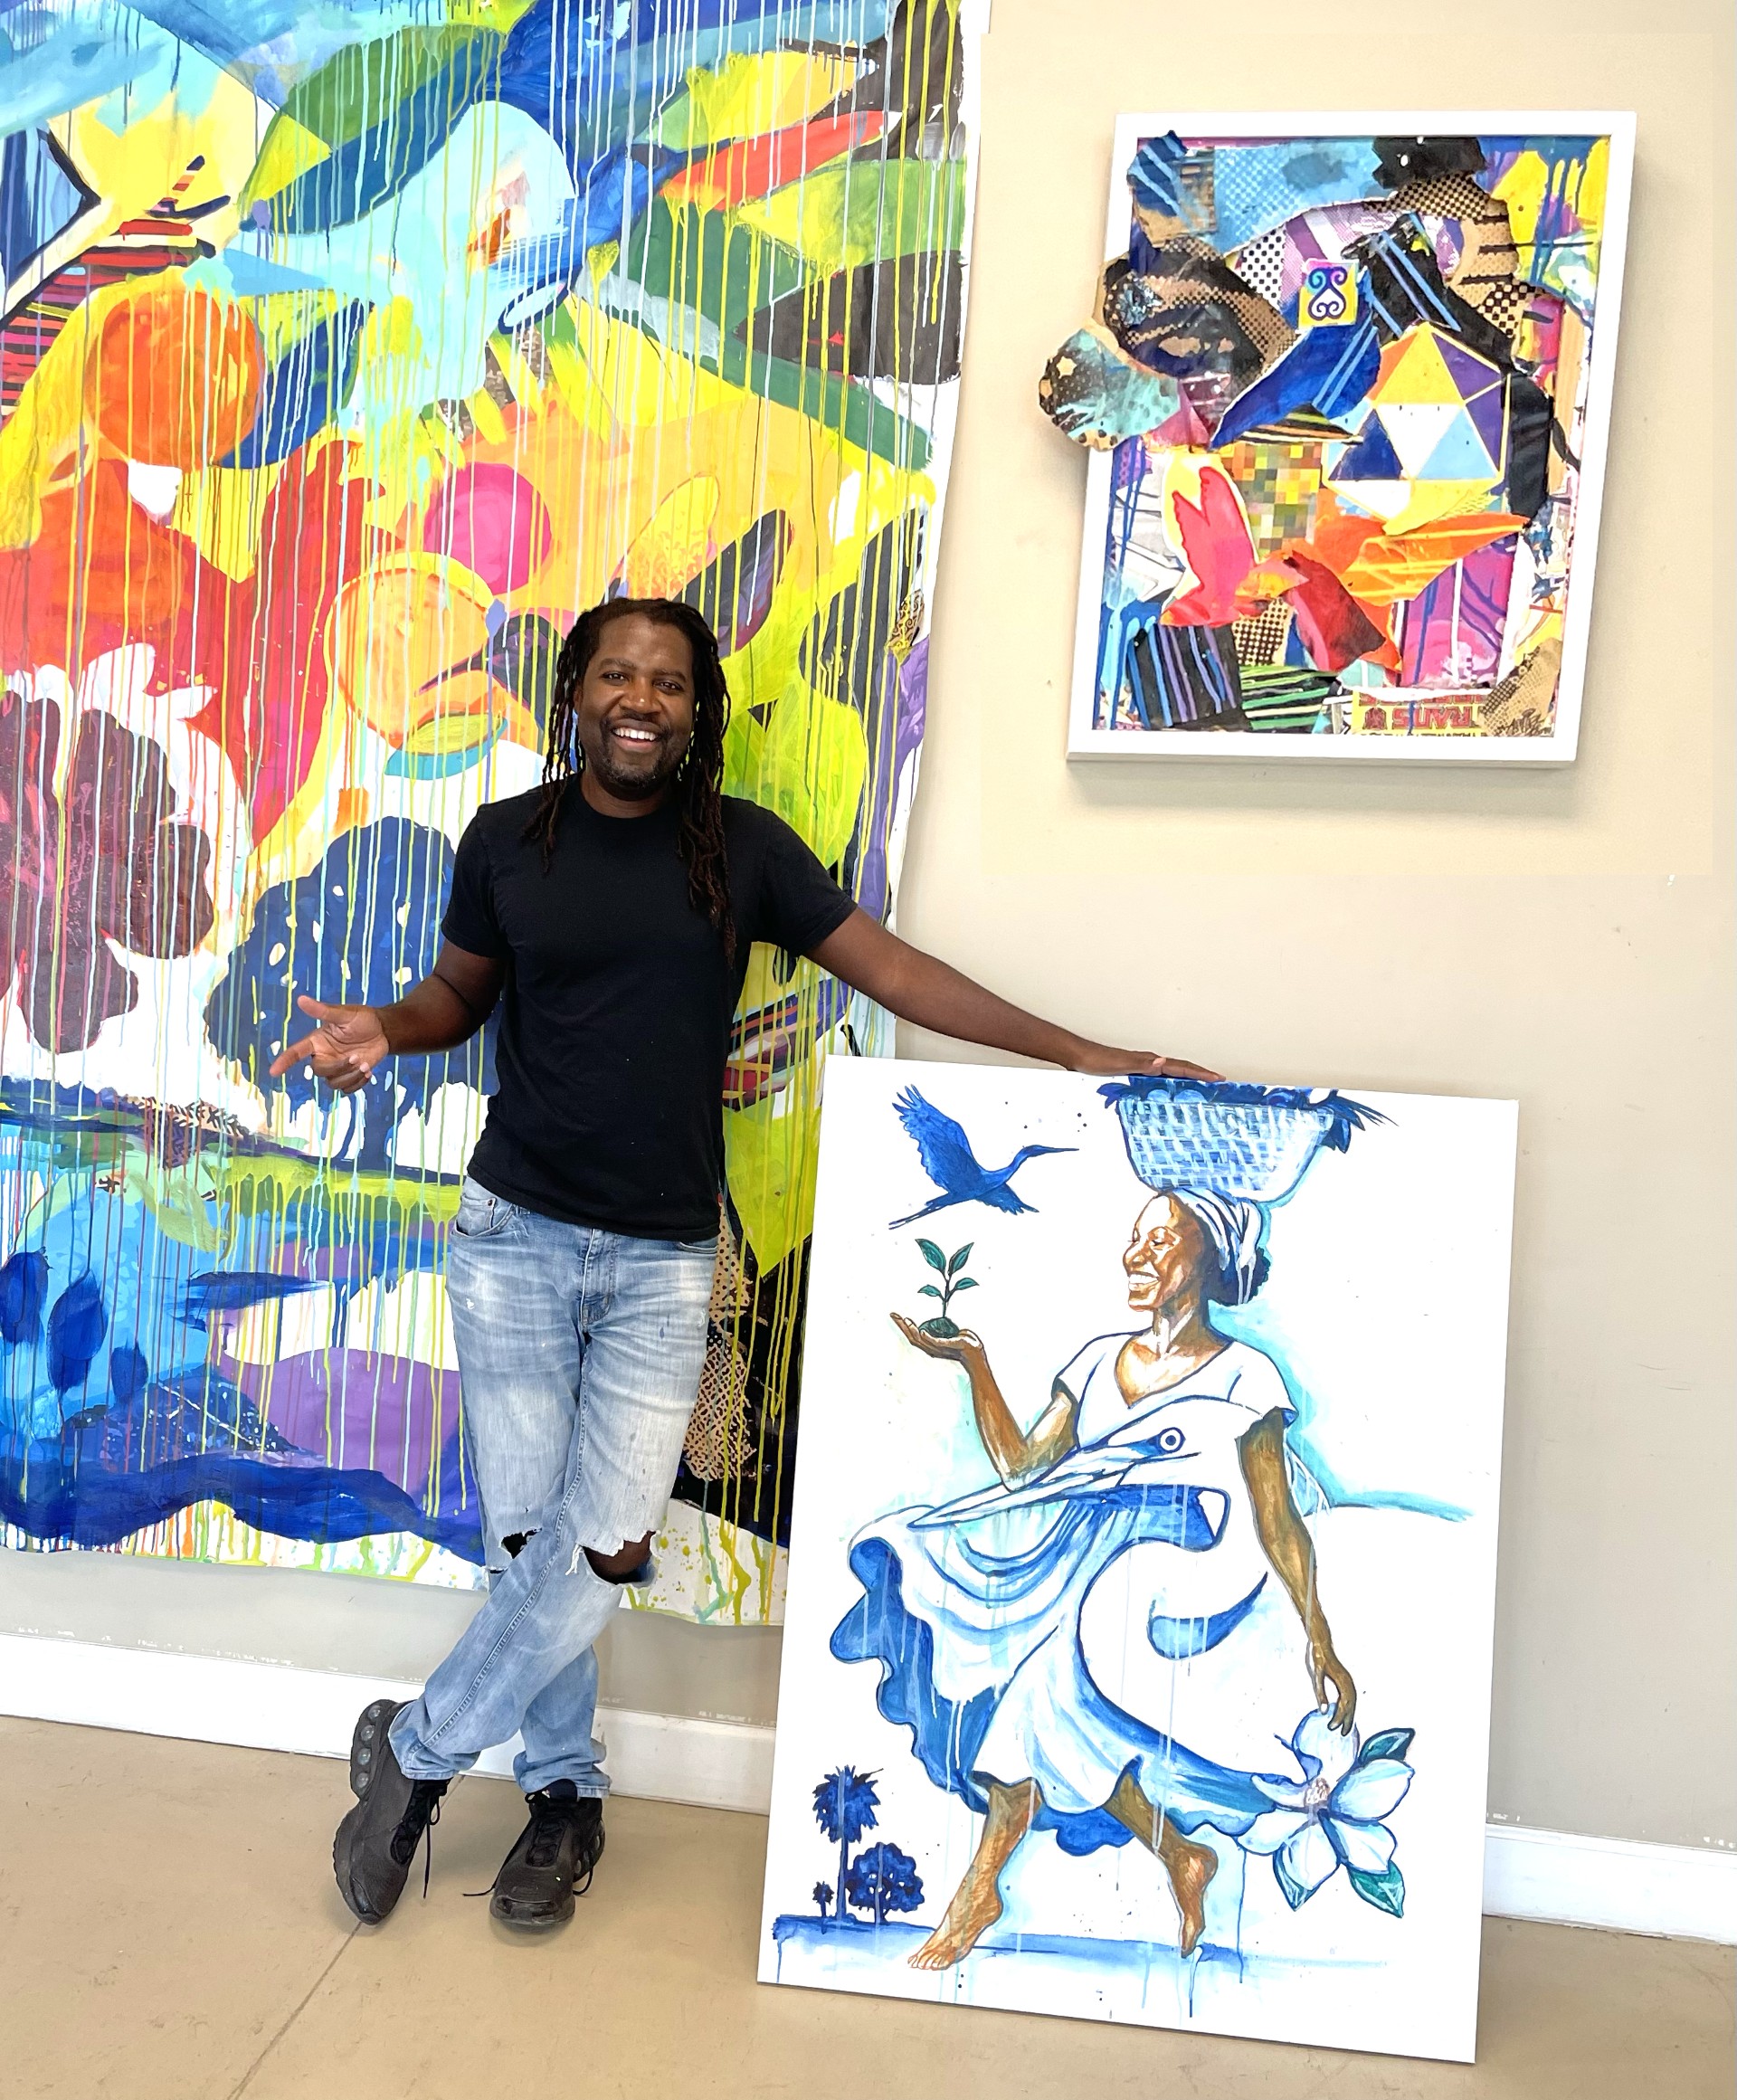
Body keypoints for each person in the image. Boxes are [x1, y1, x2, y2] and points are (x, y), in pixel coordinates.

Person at [270, 595, 1217, 1931]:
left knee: (604, 1545)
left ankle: (415, 1755)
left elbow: (897, 972)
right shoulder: (505, 841)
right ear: (576, 691)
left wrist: (1080, 1052)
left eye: (668, 681)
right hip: (511, 1239)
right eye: (617, 674)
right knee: (531, 1543)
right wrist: (388, 1025)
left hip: (663, 1258)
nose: (640, 698)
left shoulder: (741, 851)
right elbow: (459, 994)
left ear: (695, 709)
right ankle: (563, 1794)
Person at [835, 1187, 1356, 1968]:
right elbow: (1021, 1470)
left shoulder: (1247, 1376)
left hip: (1175, 1568)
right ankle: (1180, 1854)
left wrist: (1321, 1637)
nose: (1136, 1254)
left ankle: (979, 1894)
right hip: (1079, 1557)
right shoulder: (1096, 1360)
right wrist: (975, 1363)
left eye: (1160, 1240)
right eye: (1134, 1238)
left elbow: (1277, 1520)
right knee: (1060, 1718)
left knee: (1035, 1700)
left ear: (1209, 1257)